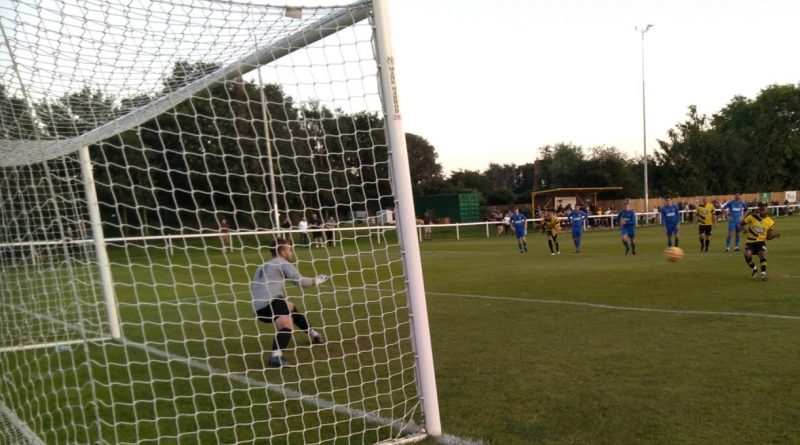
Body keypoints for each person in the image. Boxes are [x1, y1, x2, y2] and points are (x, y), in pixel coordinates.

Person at [252, 238, 327, 367]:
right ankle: (275, 357)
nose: (291, 253)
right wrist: (317, 280)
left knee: (290, 307)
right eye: (289, 250)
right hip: (272, 301)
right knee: (286, 326)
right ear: (282, 252)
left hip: (259, 308)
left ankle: (314, 334)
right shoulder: (282, 262)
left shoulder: (263, 265)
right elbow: (300, 281)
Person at [739, 202, 781, 281]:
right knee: (747, 255)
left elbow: (767, 237)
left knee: (762, 254)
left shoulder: (770, 222)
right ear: (758, 209)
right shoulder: (752, 216)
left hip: (761, 242)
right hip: (750, 241)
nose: (761, 211)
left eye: (763, 209)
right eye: (760, 209)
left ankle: (763, 274)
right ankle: (754, 269)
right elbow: (741, 224)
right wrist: (744, 230)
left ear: (766, 209)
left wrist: (775, 235)